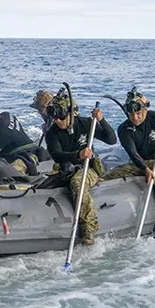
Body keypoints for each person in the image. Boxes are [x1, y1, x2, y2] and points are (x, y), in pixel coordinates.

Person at [102, 88, 155, 238]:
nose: (136, 117)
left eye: (139, 113)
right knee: (108, 175)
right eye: (132, 114)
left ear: (145, 109)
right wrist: (145, 168)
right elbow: (132, 153)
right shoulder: (124, 129)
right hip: (138, 163)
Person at [45, 94, 117, 245]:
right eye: (55, 118)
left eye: (62, 118)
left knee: (78, 183)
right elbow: (57, 155)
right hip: (64, 168)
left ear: (72, 113)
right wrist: (77, 154)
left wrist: (101, 120)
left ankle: (89, 228)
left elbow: (111, 139)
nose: (58, 121)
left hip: (87, 168)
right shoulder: (52, 132)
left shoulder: (85, 124)